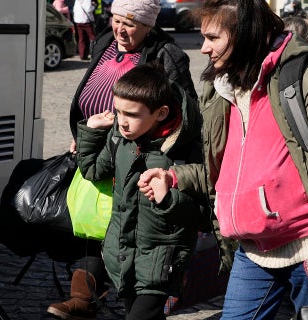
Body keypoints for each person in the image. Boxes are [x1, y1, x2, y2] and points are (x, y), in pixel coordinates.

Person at [139, 0, 308, 318]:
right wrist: (174, 177)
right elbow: (227, 172)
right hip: (254, 249)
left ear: (245, 34)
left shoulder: (306, 79)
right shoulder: (221, 89)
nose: (203, 48)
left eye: (213, 38)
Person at [47, 0, 197, 318]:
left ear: (148, 25)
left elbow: (185, 113)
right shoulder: (105, 41)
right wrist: (89, 131)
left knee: (127, 222)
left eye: (129, 23)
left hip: (144, 156)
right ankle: (85, 295)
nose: (120, 29)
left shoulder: (167, 55)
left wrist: (160, 154)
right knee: (99, 221)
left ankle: (96, 296)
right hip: (105, 144)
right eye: (116, 20)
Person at [75, 62, 204, 320]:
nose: (122, 122)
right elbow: (92, 170)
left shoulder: (184, 148)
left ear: (160, 113)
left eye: (132, 115)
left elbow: (204, 213)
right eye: (118, 111)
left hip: (161, 260)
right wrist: (90, 130)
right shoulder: (120, 139)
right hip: (122, 256)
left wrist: (169, 197)